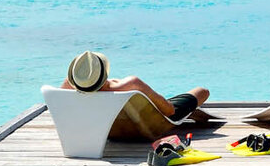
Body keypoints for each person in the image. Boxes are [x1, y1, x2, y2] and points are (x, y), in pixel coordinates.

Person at [63, 51, 210, 138]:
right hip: (149, 125)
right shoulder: (130, 84)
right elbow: (169, 111)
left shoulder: (67, 88)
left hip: (107, 133)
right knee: (203, 91)